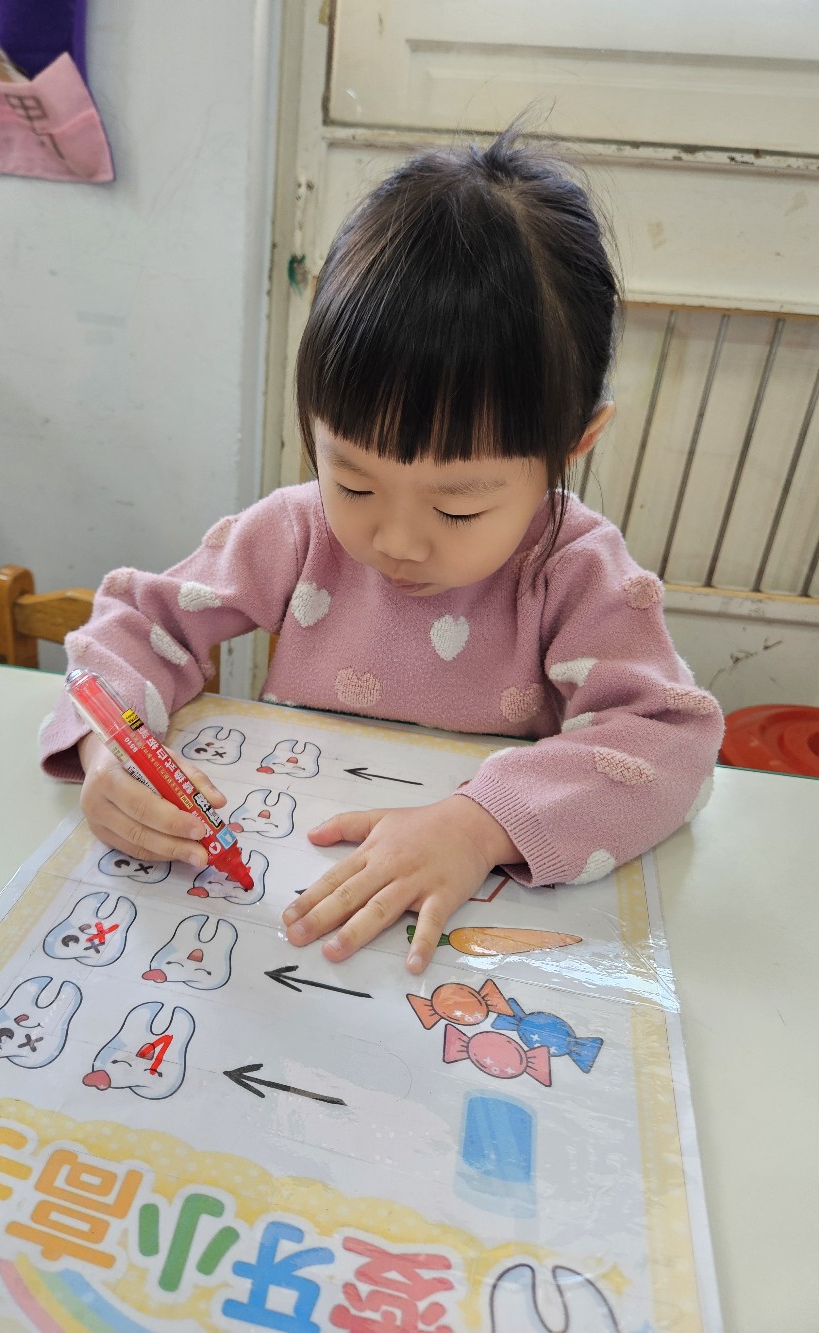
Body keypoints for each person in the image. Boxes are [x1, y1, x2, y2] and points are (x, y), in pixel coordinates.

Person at [39, 124, 723, 974]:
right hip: (285, 914)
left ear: (572, 445)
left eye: (459, 507)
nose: (395, 542)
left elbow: (673, 742)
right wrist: (109, 749)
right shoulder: (295, 532)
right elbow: (138, 624)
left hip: (460, 947)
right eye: (354, 483)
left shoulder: (575, 571)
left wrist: (481, 826)